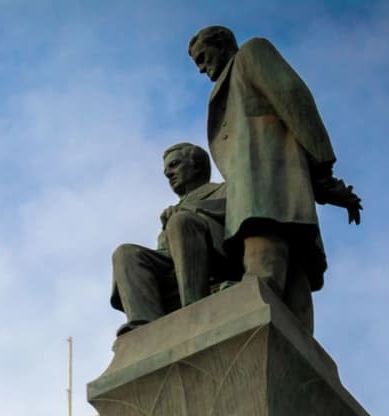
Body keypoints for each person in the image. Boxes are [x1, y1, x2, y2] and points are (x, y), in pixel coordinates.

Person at [188, 25, 361, 334]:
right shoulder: (229, 81)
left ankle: (249, 309)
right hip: (268, 190)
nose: (201, 68)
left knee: (265, 260)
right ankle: (297, 347)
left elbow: (294, 99)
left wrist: (322, 170)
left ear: (221, 43)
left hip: (267, 184)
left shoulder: (251, 54)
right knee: (293, 287)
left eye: (203, 57)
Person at [111, 142, 238, 336]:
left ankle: (194, 307)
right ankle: (143, 325)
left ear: (197, 165)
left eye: (175, 165)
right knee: (125, 253)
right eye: (166, 171)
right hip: (173, 267)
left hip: (217, 259)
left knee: (181, 221)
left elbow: (237, 217)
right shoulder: (175, 211)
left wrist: (189, 210)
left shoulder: (225, 190)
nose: (169, 174)